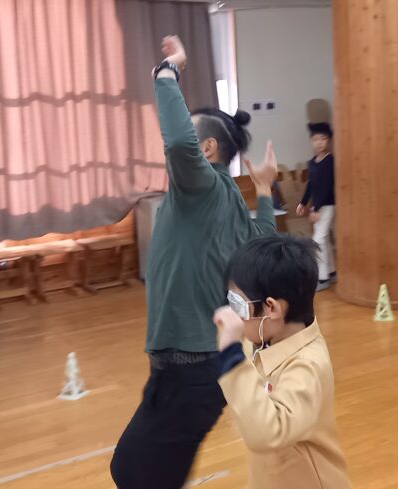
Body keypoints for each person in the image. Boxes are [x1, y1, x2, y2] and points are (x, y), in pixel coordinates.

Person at [109, 35, 279, 489]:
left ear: (207, 150)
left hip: (191, 370)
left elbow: (178, 143)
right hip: (192, 369)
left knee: (134, 473)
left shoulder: (201, 187)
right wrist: (264, 191)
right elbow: (263, 240)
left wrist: (168, 71)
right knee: (136, 470)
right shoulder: (228, 199)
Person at [212, 234, 351, 489]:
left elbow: (268, 433)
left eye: (238, 305)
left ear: (272, 308)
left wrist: (231, 358)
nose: (232, 313)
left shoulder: (307, 366)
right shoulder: (265, 338)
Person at [296, 122, 336, 291]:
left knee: (318, 240)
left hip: (327, 205)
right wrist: (303, 203)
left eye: (323, 139)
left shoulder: (330, 161)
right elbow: (311, 185)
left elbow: (327, 187)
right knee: (323, 239)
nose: (319, 143)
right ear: (311, 141)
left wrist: (316, 208)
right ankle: (331, 271)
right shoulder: (312, 162)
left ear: (328, 141)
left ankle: (322, 278)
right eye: (315, 139)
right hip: (317, 206)